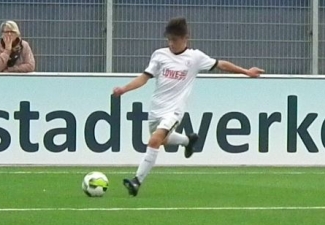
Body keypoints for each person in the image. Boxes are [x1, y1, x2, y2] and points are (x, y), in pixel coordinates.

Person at [112, 17, 263, 196]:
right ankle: (188, 141)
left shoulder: (195, 57)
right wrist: (124, 89)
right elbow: (144, 78)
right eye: (169, 39)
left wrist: (246, 72)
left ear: (186, 38)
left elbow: (220, 64)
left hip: (174, 111)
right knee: (163, 140)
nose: (171, 43)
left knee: (154, 141)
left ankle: (137, 181)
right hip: (155, 109)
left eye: (174, 40)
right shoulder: (159, 55)